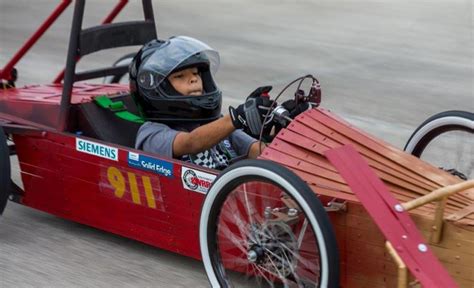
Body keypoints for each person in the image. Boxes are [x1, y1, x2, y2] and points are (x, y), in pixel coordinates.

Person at [129, 36, 274, 170]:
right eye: (180, 76)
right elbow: (191, 143)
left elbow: (256, 150)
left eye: (195, 73)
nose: (194, 79)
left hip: (230, 188)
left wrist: (273, 128)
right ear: (158, 88)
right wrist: (237, 117)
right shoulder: (151, 133)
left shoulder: (214, 123)